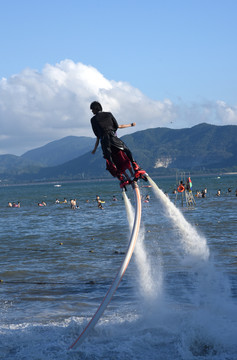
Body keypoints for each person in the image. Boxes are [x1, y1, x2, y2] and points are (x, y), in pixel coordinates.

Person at [90, 101, 146, 184]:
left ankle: (121, 177)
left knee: (110, 160)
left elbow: (97, 134)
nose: (92, 112)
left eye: (92, 110)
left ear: (95, 109)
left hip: (105, 141)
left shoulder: (93, 119)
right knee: (126, 150)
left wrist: (96, 147)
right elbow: (116, 126)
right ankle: (135, 166)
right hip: (113, 137)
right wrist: (112, 131)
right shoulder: (109, 114)